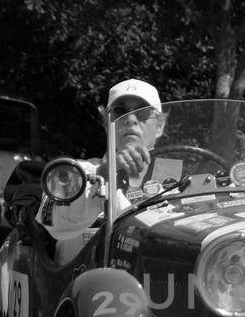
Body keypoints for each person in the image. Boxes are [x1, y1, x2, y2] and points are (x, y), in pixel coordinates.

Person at [46, 78, 165, 245]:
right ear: (106, 123)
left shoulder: (180, 182)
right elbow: (50, 223)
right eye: (119, 111)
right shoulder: (77, 171)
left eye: (143, 112)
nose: (131, 119)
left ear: (160, 126)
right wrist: (104, 174)